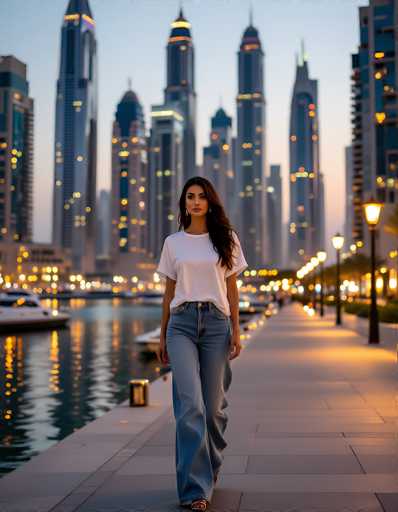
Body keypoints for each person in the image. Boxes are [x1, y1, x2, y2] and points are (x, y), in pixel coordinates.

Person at [156, 176, 248, 511]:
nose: (195, 201)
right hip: (180, 324)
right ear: (183, 203)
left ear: (210, 202)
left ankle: (211, 466)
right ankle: (195, 489)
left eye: (201, 196)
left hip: (215, 323)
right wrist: (162, 332)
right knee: (190, 406)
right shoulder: (173, 243)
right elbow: (168, 293)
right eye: (190, 196)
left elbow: (232, 291)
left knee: (213, 409)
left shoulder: (227, 240)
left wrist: (236, 331)